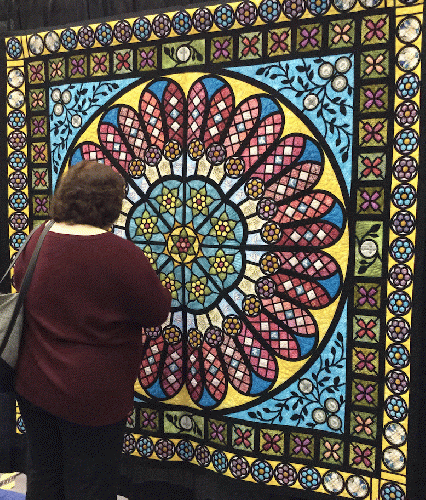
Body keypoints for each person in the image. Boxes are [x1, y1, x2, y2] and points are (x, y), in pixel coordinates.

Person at [13, 160, 171, 500]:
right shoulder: (121, 254)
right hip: (93, 396)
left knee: (43, 477)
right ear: (112, 204)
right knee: (92, 485)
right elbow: (156, 312)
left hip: (34, 385)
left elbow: (21, 288)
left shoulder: (37, 241)